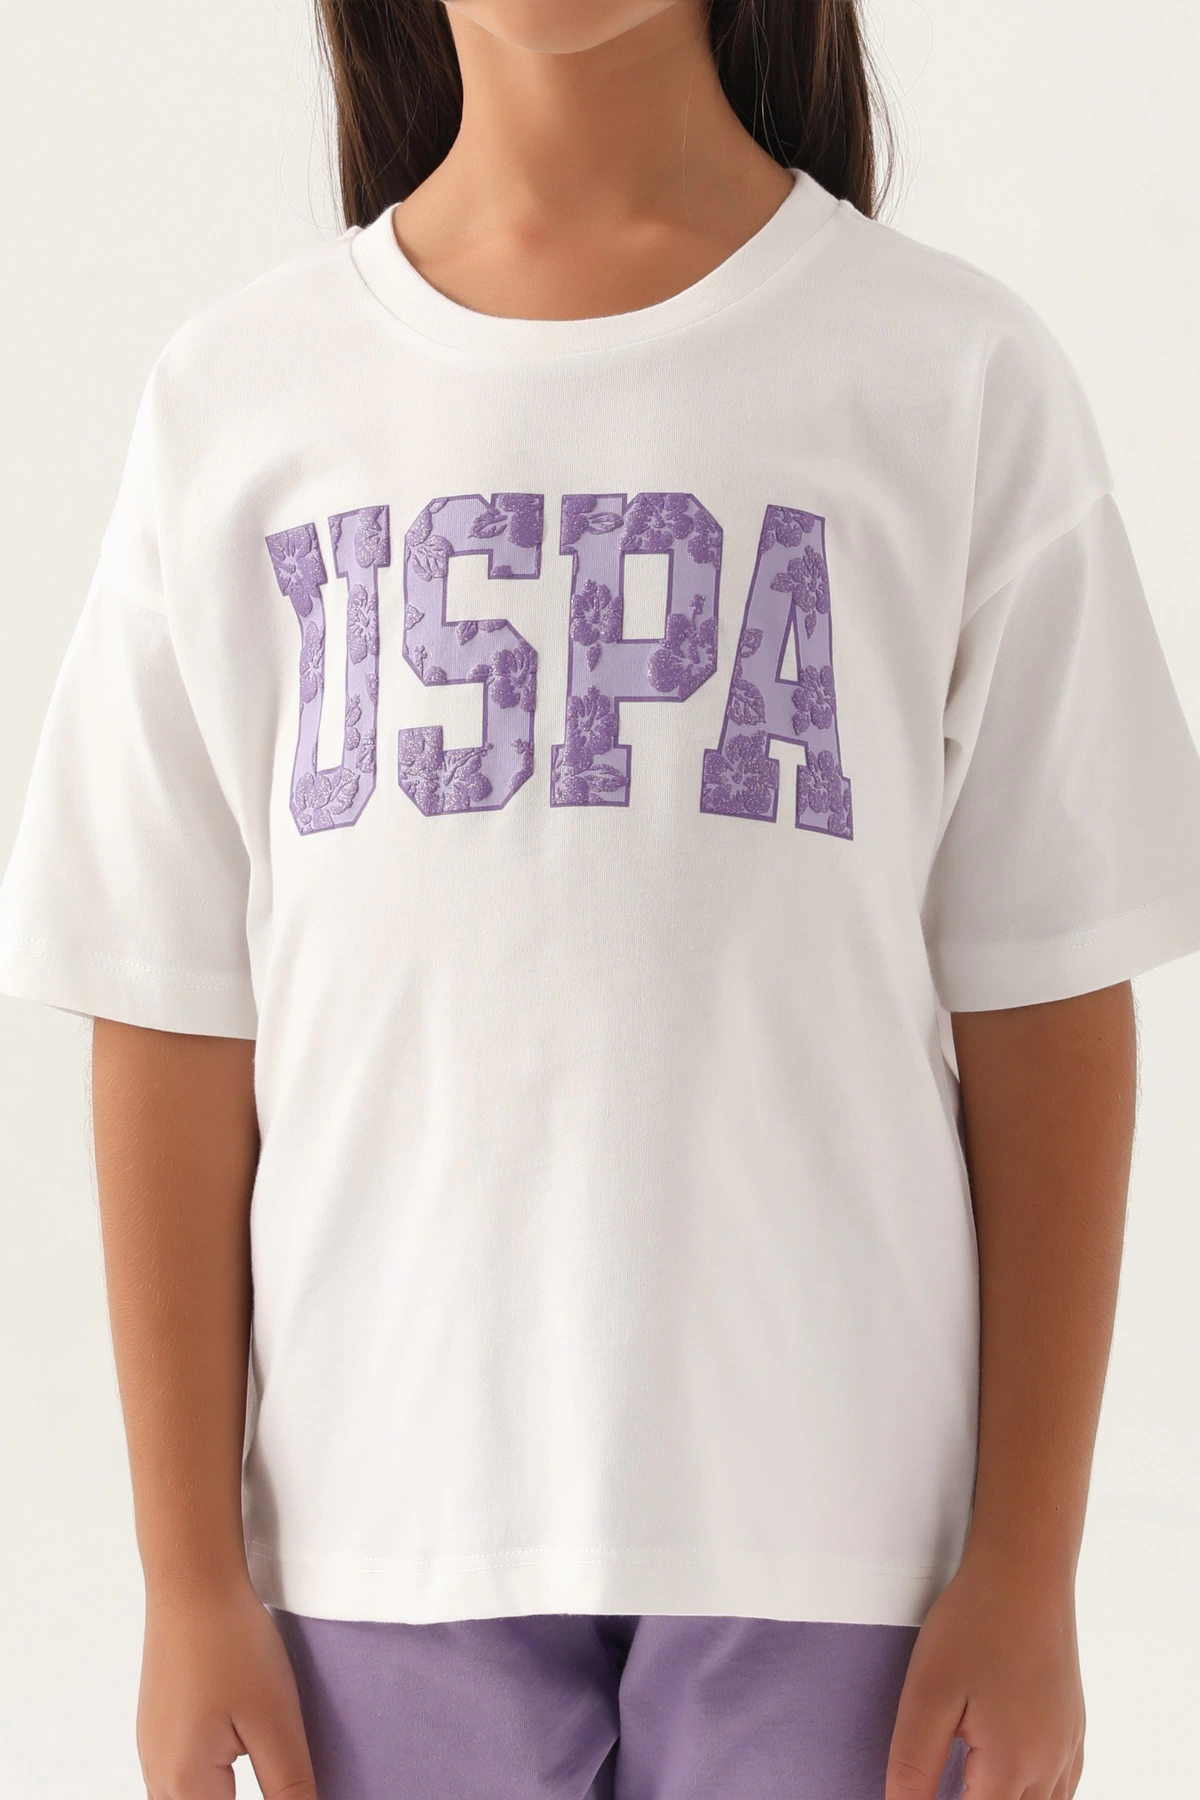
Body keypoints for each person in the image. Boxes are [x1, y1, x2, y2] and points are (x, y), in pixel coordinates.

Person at [2, 2, 1199, 1796]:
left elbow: (1047, 999)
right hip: (383, 1542)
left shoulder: (949, 375)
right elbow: (174, 1020)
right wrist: (185, 1577)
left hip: (847, 1546)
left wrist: (1030, 1564)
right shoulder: (236, 399)